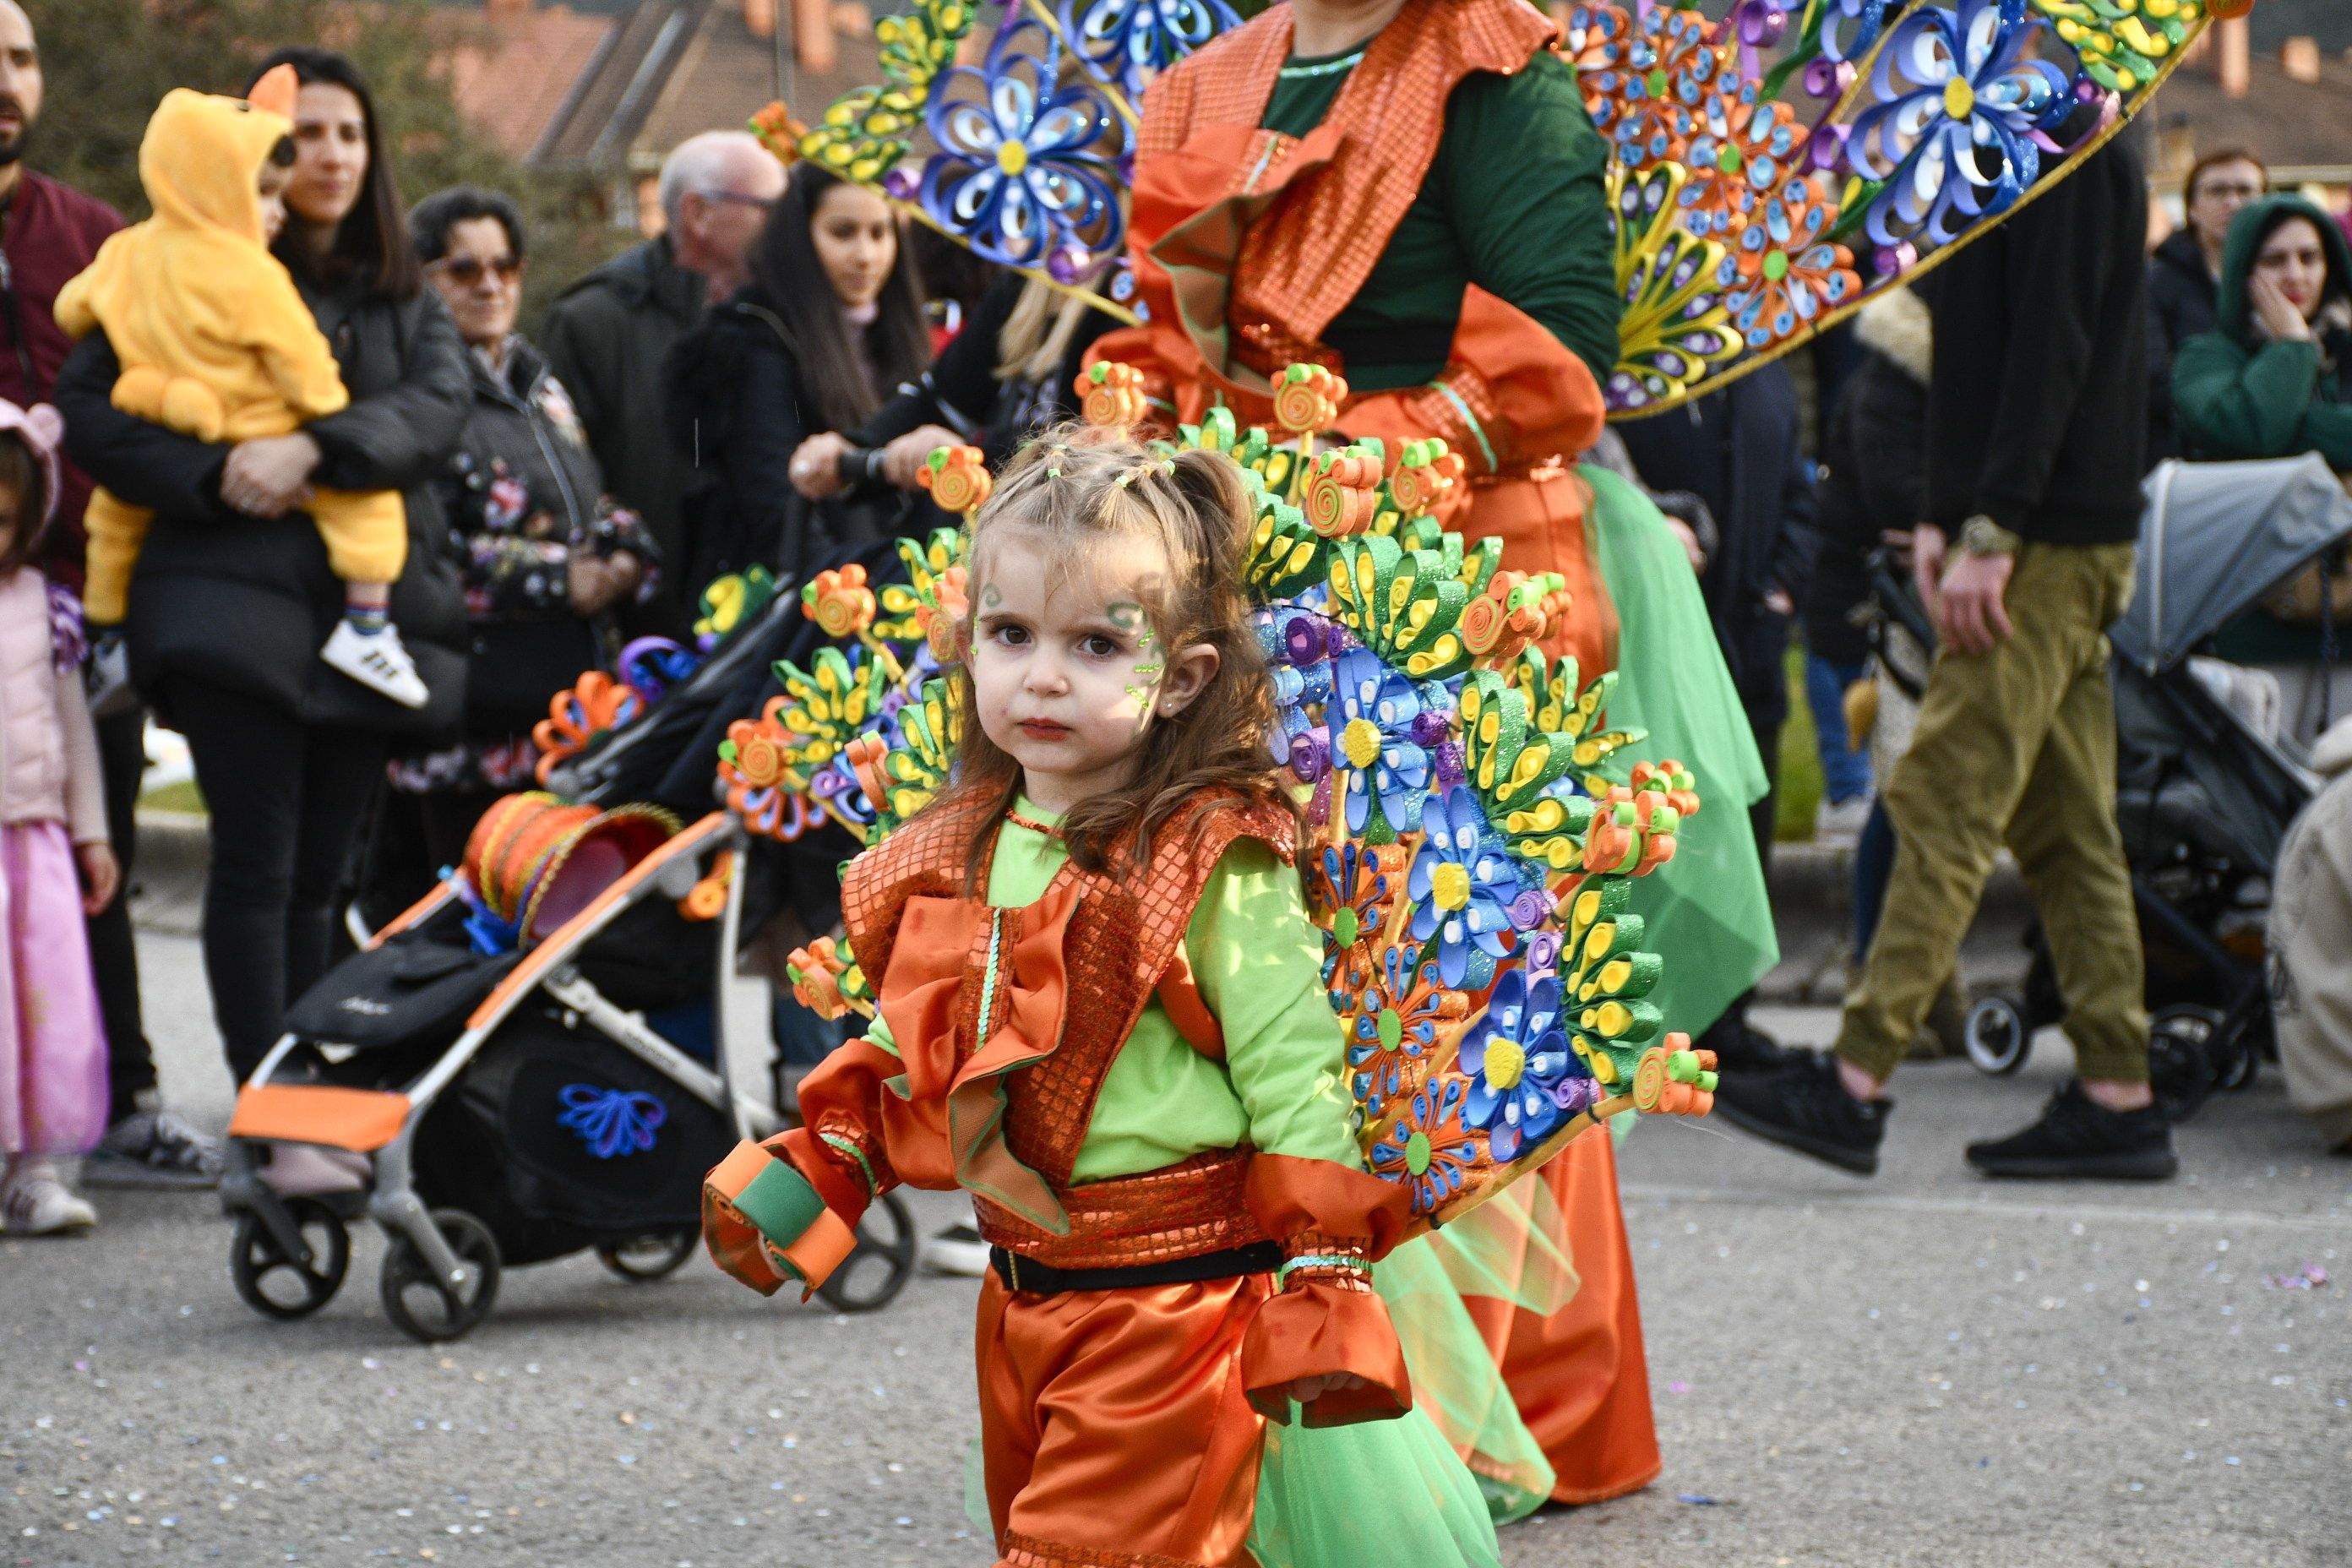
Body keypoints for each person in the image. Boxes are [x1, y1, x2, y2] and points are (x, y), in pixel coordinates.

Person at [1090, 0, 1781, 1505]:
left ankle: (1503, 1407)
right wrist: (1126, 448)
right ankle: (1272, 1401)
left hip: (1458, 581)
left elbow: (1548, 360)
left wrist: (1327, 466)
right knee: (1266, 988)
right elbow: (1158, 337)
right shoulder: (1207, 83)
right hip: (1242, 583)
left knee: (1467, 982)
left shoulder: (1489, 65)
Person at [706, 427, 1505, 1568]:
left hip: (1173, 1309)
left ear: (1180, 675)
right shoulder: (961, 847)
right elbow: (922, 1032)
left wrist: (1325, 1264)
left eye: (1095, 644)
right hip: (1021, 1302)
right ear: (967, 639)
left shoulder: (1214, 851)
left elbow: (1293, 1066)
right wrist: (838, 1154)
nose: (1042, 676)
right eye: (1012, 634)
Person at [1717, 130, 2177, 1182]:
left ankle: (1854, 1079)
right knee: (2068, 826)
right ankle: (2118, 1087)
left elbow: (2050, 345)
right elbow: (1969, 339)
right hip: (2036, 525)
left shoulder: (2072, 123)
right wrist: (1942, 509)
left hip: (2045, 536)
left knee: (1942, 799)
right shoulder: (2002, 121)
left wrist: (1992, 526)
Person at [56, 46, 469, 1091]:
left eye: (347, 133)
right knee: (255, 860)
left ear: (373, 155)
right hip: (225, 605)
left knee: (323, 875)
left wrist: (317, 450)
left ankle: (315, 1086)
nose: (325, 155)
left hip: (364, 617)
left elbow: (435, 409)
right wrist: (219, 469)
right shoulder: (185, 256)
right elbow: (92, 411)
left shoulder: (403, 295)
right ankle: (267, 1088)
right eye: (305, 135)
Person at [0, 0, 214, 1187]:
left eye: (21, 59)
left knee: (95, 850)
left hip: (88, 611)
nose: (9, 82)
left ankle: (120, 1099)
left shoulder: (93, 238)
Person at [57, 72, 427, 710]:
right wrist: (326, 422)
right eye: (262, 194)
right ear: (219, 187)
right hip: (259, 428)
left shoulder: (126, 250)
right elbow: (299, 359)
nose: (276, 213)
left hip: (163, 407)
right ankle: (368, 628)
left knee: (113, 524)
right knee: (369, 513)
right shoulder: (251, 274)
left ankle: (109, 640)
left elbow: (72, 308)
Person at [391, 186, 659, 869]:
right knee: (473, 932)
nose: (490, 285)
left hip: (564, 715)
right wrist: (559, 578)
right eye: (463, 269)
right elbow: (414, 545)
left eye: (505, 267)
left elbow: (589, 500)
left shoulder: (540, 385)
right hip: (470, 727)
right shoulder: (407, 388)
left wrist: (626, 553)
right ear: (420, 280)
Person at [1617, 364, 1817, 1075]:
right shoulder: (1634, 367)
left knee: (1742, 822)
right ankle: (1656, 1017)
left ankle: (1726, 1014)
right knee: (1665, 821)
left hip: (1748, 637)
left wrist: (1783, 590)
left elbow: (1796, 485)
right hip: (1658, 642)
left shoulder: (1762, 370)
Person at [540, 131, 782, 637]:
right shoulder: (592, 321)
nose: (788, 227)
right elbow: (566, 487)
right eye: (769, 208)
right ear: (698, 214)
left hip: (770, 619)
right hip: (644, 635)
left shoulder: (783, 319)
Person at [665, 161, 930, 592]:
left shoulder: (896, 335)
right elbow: (776, 504)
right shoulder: (753, 341)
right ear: (799, 238)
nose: (866, 256)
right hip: (806, 601)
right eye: (843, 233)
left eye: (880, 233)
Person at [2172, 194, 2352, 745]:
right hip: (2253, 638)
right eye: (2275, 260)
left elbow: (2276, 434)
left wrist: (2298, 428)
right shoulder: (2208, 358)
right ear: (2244, 271)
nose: (2295, 274)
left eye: (2310, 257)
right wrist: (2295, 348)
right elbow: (2251, 432)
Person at [0, 400, 113, 1233]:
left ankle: (34, 1169)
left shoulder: (48, 607)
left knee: (41, 1011)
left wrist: (92, 830)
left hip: (31, 838)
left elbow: (76, 727)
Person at [792, 272, 1122, 500]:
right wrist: (850, 447)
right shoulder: (1023, 280)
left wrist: (969, 449)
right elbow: (945, 395)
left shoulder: (1129, 293)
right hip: (990, 522)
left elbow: (1091, 443)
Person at [2148, 149, 2267, 460]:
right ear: (2193, 209)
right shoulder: (2157, 282)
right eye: (2218, 191)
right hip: (2187, 449)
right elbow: (2154, 378)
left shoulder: (2291, 277)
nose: (2233, 203)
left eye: (2245, 191)